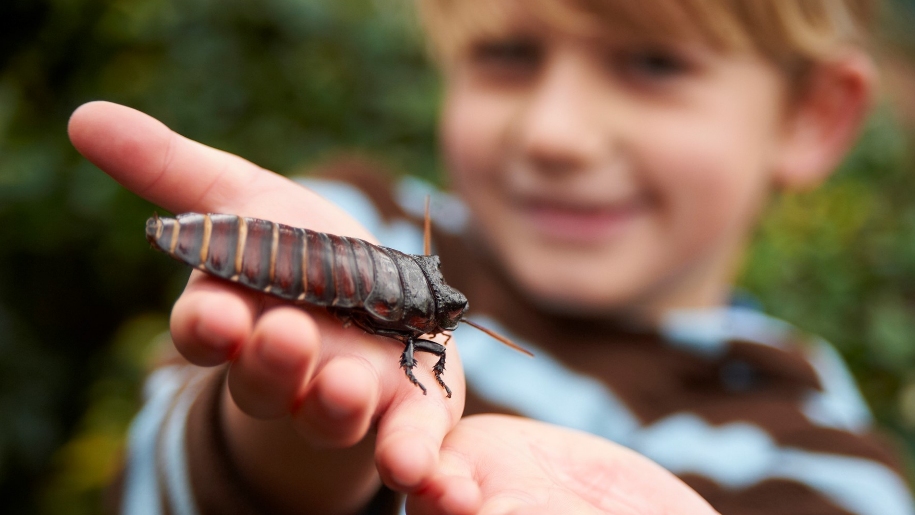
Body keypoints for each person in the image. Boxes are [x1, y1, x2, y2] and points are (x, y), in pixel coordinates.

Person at [67, 0, 914, 513]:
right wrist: (286, 452)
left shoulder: (826, 471)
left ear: (810, 117)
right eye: (509, 53)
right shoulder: (364, 216)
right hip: (276, 260)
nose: (556, 135)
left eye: (654, 64)